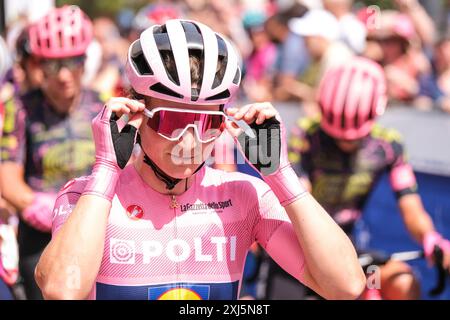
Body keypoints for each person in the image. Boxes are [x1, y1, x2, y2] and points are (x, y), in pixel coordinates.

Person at [35, 19, 365, 300]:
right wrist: (106, 170)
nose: (190, 141)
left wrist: (281, 175)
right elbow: (62, 289)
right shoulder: (86, 197)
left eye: (209, 123)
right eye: (173, 121)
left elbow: (346, 286)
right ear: (135, 111)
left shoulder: (245, 197)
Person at [287, 57, 450, 299]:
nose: (346, 143)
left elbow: (411, 207)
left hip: (351, 250)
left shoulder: (388, 144)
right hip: (298, 247)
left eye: (354, 139)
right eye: (338, 137)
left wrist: (430, 237)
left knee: (402, 282)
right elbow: (297, 201)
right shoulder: (304, 136)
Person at [0, 6, 105, 300]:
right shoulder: (19, 107)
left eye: (72, 62)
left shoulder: (103, 104)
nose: (62, 75)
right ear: (38, 65)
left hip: (93, 223)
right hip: (40, 231)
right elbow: (6, 172)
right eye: (51, 65)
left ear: (85, 61)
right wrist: (32, 204)